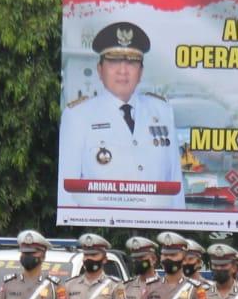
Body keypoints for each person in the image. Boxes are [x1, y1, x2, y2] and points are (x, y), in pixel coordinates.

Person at [59, 21, 185, 210]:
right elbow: (67, 192)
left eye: (132, 62)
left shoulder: (162, 111)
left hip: (156, 230)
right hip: (102, 230)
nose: (123, 70)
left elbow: (175, 186)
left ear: (141, 72)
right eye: (114, 61)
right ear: (100, 70)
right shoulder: (77, 116)